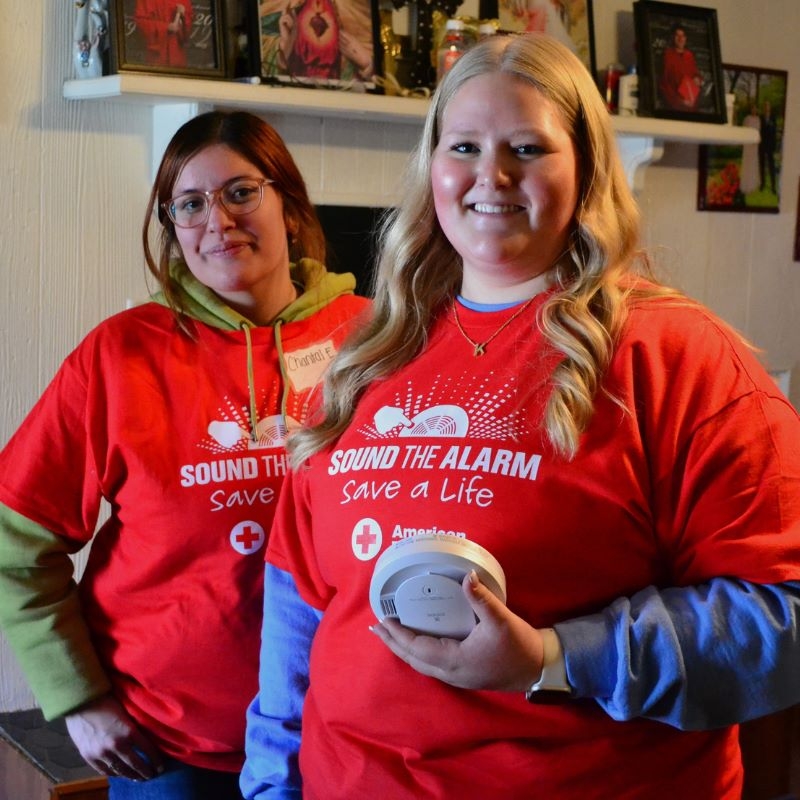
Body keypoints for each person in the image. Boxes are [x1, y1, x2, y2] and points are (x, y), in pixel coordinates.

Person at [241, 33, 800, 800]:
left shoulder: (679, 357)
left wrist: (551, 657)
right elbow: (298, 597)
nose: (490, 175)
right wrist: (271, 781)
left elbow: (781, 617)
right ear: (432, 167)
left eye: (528, 147)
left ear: (588, 169)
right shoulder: (370, 351)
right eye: (464, 145)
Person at [0, 110, 368, 799]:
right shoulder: (119, 354)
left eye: (239, 192)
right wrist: (76, 699)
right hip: (170, 748)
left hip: (346, 732)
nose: (217, 220)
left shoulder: (375, 341)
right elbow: (14, 542)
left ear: (288, 205)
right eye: (189, 204)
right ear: (171, 227)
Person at [135, 0, 193, 67]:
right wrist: (166, 27)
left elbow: (188, 32)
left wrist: (184, 16)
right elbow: (141, 23)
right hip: (156, 56)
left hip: (177, 55)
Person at [658, 22, 702, 110]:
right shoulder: (667, 55)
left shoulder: (689, 55)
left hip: (690, 102)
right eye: (677, 35)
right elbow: (664, 83)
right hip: (674, 104)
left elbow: (695, 74)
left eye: (683, 36)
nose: (680, 39)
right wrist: (678, 101)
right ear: (672, 38)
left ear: (686, 38)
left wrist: (697, 79)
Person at [740, 102, 761, 195]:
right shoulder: (747, 119)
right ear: (751, 109)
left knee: (753, 163)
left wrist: (757, 140)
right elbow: (743, 130)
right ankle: (746, 184)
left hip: (754, 145)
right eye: (753, 108)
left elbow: (758, 132)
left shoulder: (758, 119)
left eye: (755, 109)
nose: (754, 110)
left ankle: (753, 184)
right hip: (747, 144)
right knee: (747, 162)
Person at [759, 99, 778, 193]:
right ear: (764, 108)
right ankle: (762, 184)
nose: (767, 107)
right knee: (762, 166)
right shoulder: (761, 117)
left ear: (770, 107)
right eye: (765, 106)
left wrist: (774, 146)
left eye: (768, 106)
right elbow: (759, 131)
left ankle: (773, 187)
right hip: (762, 145)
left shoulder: (773, 118)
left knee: (771, 166)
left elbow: (774, 132)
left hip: (770, 146)